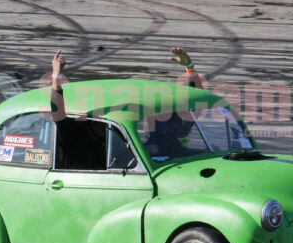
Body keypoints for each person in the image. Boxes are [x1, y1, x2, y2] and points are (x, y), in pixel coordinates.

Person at [50, 46, 204, 162]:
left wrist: (190, 67)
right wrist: (56, 77)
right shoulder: (77, 134)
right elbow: (58, 113)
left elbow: (197, 100)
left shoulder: (127, 134)